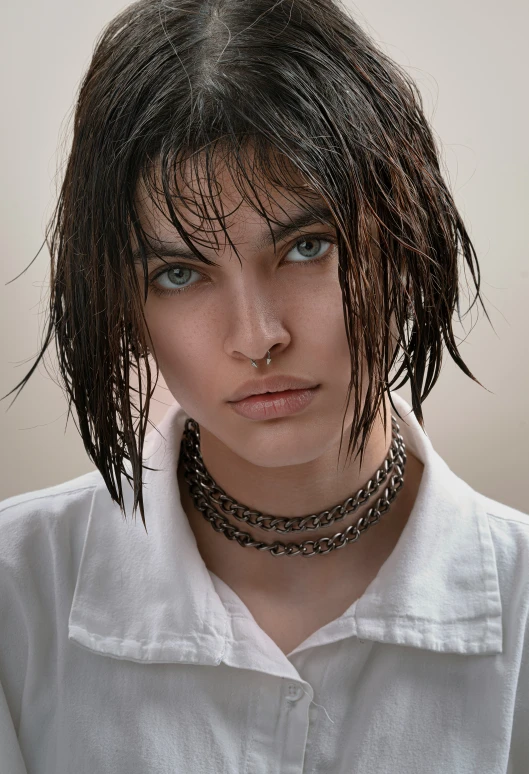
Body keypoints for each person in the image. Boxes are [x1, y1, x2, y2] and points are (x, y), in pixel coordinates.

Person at [0, 0, 527, 772]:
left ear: (402, 235)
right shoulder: (18, 593)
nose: (257, 337)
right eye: (179, 273)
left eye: (306, 247)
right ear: (120, 301)